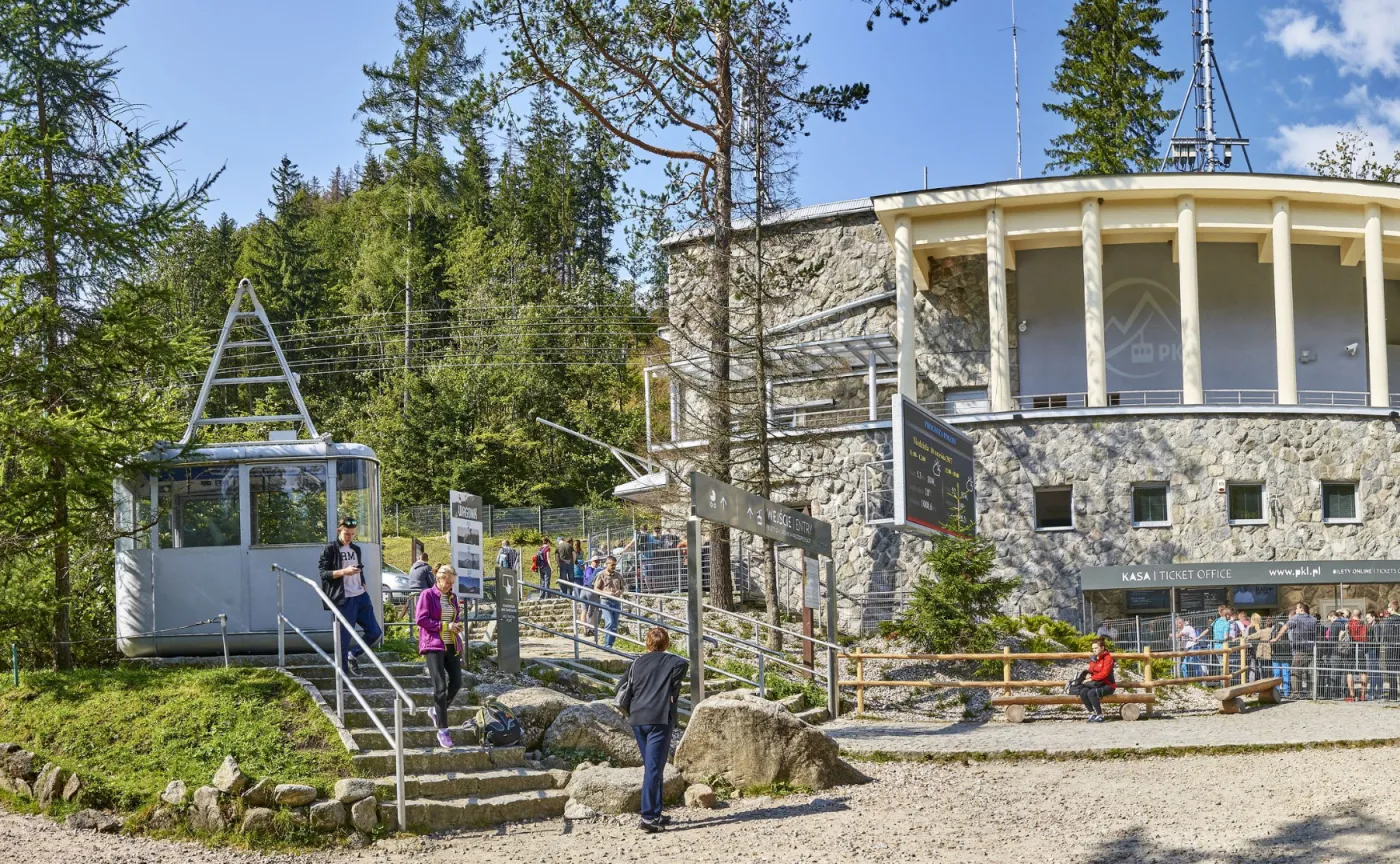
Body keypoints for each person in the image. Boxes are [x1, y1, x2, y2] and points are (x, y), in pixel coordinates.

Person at [617, 627, 689, 833]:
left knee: (652, 767)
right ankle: (648, 818)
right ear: (666, 643)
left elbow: (620, 688)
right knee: (654, 768)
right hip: (659, 719)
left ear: (647, 643)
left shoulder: (636, 663)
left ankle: (655, 812)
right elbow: (683, 666)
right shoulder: (673, 662)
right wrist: (671, 689)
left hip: (638, 719)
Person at [318, 517, 382, 676]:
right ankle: (344, 681)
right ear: (339, 531)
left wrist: (363, 580)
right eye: (347, 534)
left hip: (361, 596)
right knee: (342, 642)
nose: (349, 537)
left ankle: (353, 655)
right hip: (343, 599)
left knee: (375, 632)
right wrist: (343, 572)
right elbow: (323, 573)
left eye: (353, 534)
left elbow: (358, 568)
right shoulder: (330, 549)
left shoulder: (356, 549)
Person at [416, 564, 463, 749]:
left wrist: (456, 624)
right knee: (440, 688)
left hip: (451, 644)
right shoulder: (427, 595)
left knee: (457, 682)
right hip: (433, 645)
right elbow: (421, 619)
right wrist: (445, 626)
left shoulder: (453, 597)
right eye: (447, 582)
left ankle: (436, 710)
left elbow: (456, 616)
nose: (450, 586)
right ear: (439, 578)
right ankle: (443, 731)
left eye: (452, 583)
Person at [1069, 637, 1115, 722]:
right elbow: (1090, 670)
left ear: (1102, 648)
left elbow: (1105, 673)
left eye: (1096, 648)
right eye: (1093, 648)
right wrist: (1086, 675)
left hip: (1108, 684)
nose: (1094, 650)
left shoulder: (1108, 658)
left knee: (1091, 693)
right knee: (1082, 692)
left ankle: (1100, 715)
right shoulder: (1094, 659)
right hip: (1096, 683)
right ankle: (1092, 713)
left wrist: (1091, 678)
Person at [1284, 603, 1317, 698]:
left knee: (1295, 670)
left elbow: (1285, 627)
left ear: (1301, 609)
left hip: (1300, 649)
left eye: (1297, 608)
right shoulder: (1313, 619)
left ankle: (1296, 693)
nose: (1296, 610)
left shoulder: (1296, 617)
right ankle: (1312, 693)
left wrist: (1276, 638)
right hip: (1311, 649)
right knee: (1311, 672)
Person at [594, 555, 627, 649]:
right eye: (612, 565)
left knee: (615, 625)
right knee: (609, 622)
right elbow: (596, 588)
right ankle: (607, 645)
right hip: (605, 600)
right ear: (606, 564)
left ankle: (611, 644)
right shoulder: (601, 574)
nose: (614, 567)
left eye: (615, 565)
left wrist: (619, 592)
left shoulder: (618, 575)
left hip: (616, 601)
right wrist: (606, 593)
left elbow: (622, 587)